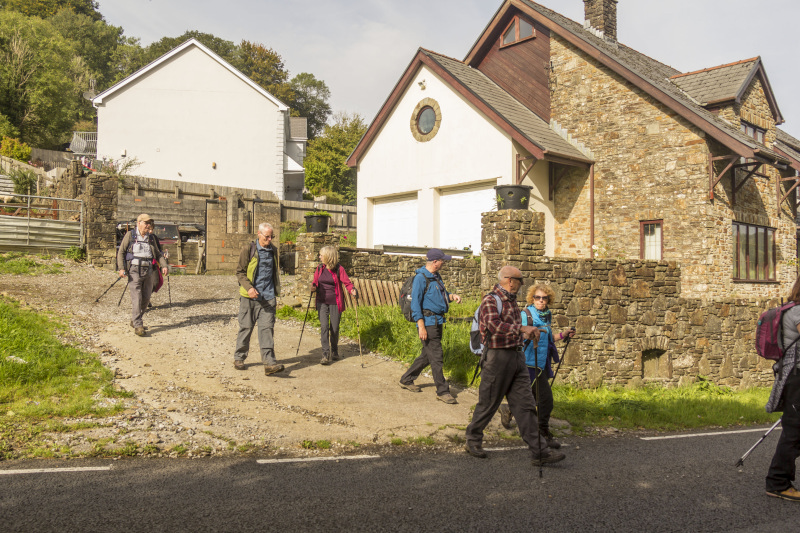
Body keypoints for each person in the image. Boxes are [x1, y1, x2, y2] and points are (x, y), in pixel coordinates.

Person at [465, 265, 565, 466]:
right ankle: (473, 440)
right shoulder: (490, 300)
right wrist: (521, 328)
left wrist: (527, 334)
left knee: (526, 406)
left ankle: (540, 452)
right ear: (510, 280)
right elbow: (493, 325)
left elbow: (513, 329)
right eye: (520, 280)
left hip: (517, 358)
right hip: (497, 359)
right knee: (489, 403)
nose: (521, 285)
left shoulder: (511, 302)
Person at [497, 283, 575, 448]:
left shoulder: (547, 315)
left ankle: (508, 409)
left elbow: (547, 338)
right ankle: (543, 434)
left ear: (548, 300)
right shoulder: (526, 315)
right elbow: (516, 335)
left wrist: (564, 334)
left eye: (544, 298)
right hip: (528, 364)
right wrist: (528, 336)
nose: (541, 301)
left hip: (542, 364)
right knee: (546, 401)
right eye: (537, 297)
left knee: (530, 399)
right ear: (532, 298)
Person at [399, 248, 462, 404]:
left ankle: (406, 379)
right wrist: (420, 325)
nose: (444, 263)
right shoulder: (421, 278)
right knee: (437, 356)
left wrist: (451, 296)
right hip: (428, 323)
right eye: (442, 261)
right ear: (435, 262)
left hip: (438, 322)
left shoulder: (436, 277)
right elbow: (415, 304)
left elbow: (440, 296)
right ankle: (442, 391)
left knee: (428, 355)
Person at [765, 276, 800, 502]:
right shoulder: (797, 312)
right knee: (795, 432)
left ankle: (778, 480)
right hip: (797, 380)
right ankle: (777, 482)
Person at [234, 222, 283, 375]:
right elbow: (240, 272)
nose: (269, 240)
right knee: (246, 327)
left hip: (268, 297)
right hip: (249, 298)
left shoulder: (273, 251)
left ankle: (269, 363)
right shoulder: (248, 249)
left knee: (267, 329)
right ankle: (239, 357)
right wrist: (249, 289)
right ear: (258, 234)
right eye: (267, 237)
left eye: (271, 237)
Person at [116, 214, 169, 337]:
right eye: (146, 222)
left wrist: (164, 265)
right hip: (134, 270)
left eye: (149, 223)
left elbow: (158, 254)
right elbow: (121, 252)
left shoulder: (151, 238)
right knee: (137, 297)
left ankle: (134, 319)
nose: (148, 225)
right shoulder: (130, 235)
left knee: (146, 298)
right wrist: (121, 268)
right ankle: (138, 325)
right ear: (138, 223)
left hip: (149, 270)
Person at [311, 245, 357, 365]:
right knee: (324, 327)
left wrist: (352, 290)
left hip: (336, 303)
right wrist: (313, 286)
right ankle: (325, 354)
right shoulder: (319, 268)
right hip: (322, 302)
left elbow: (347, 283)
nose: (319, 256)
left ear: (328, 256)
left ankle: (334, 350)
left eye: (321, 254)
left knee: (335, 328)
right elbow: (315, 282)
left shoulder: (339, 269)